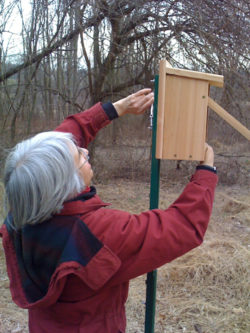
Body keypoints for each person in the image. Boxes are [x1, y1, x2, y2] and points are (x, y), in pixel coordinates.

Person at [0, 88, 217, 333]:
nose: (85, 151)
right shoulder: (97, 233)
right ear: (66, 182)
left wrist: (116, 109)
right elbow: (182, 227)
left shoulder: (26, 203)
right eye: (80, 158)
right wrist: (206, 173)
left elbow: (53, 149)